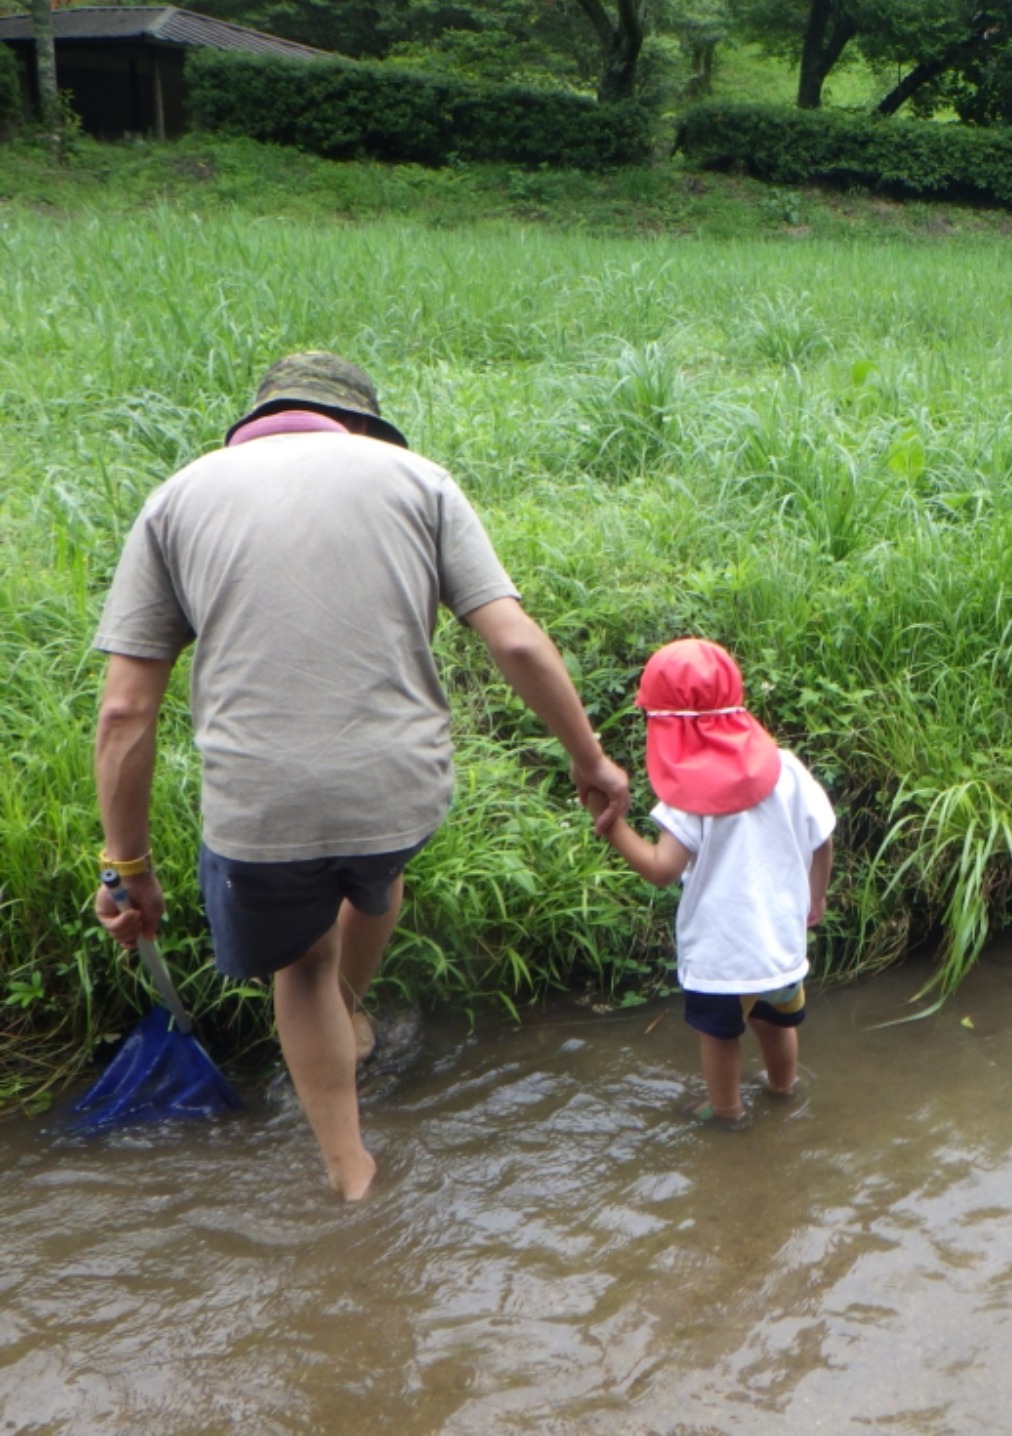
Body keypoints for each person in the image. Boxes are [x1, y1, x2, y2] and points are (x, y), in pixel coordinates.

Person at [92, 352, 629, 1201]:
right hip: (400, 794)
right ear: (362, 426)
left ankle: (350, 1169)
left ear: (253, 424)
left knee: (299, 965)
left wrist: (127, 867)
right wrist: (590, 760)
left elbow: (125, 710)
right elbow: (516, 640)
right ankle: (351, 1012)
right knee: (374, 875)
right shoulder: (419, 481)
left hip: (261, 811)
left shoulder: (179, 497)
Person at [585, 638, 834, 1127]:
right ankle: (783, 1089)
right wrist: (817, 892)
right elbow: (822, 838)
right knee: (777, 1018)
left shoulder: (687, 796)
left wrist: (609, 823)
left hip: (722, 953)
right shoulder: (787, 767)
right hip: (780, 937)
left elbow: (661, 870)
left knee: (719, 1035)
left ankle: (727, 1113)